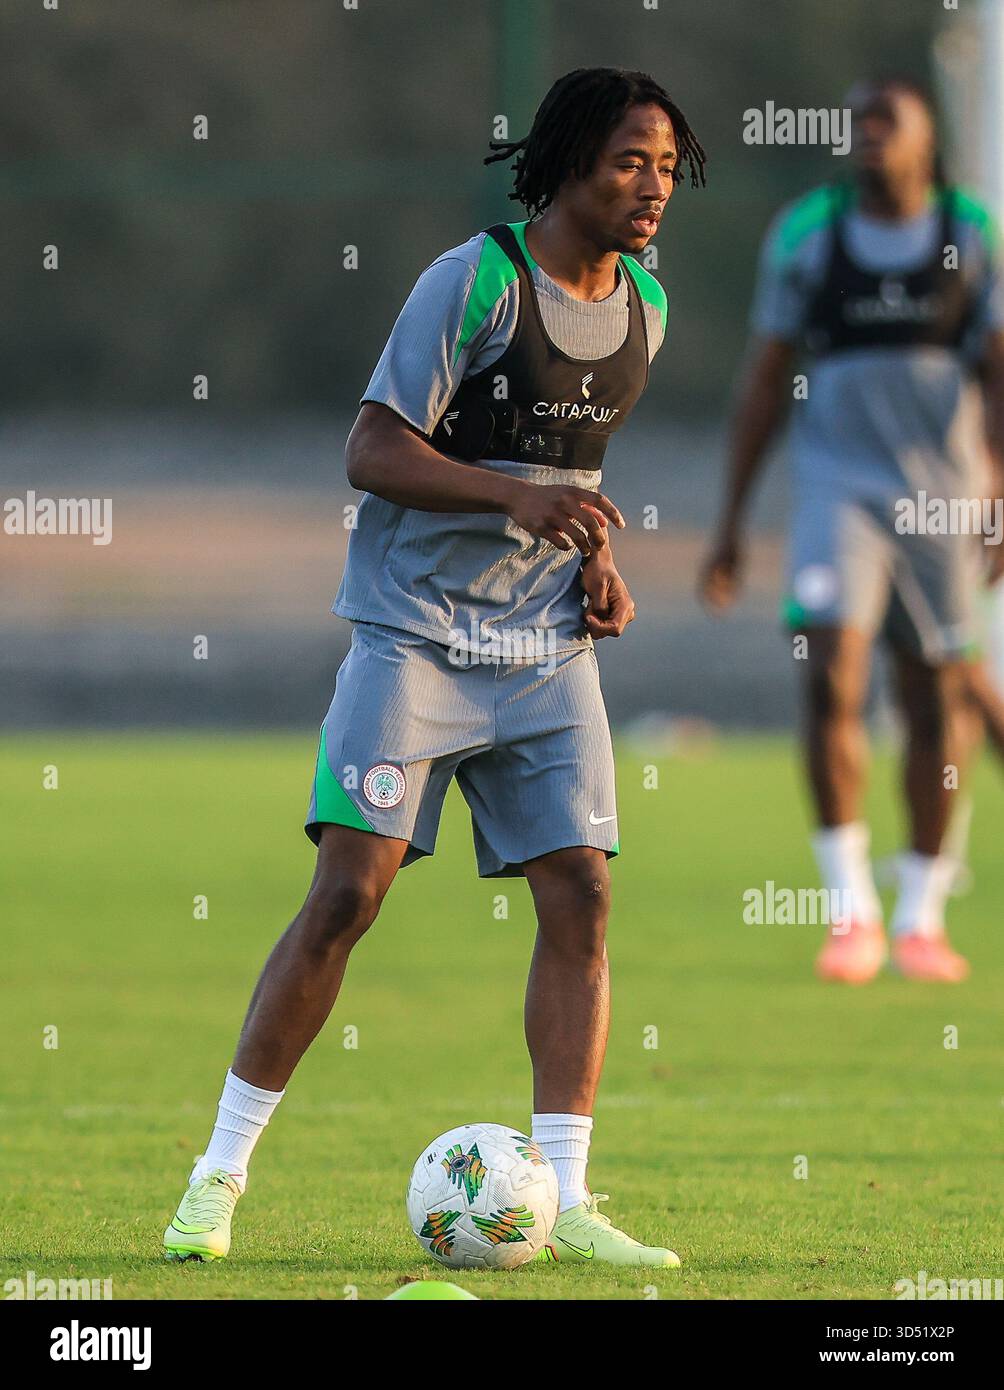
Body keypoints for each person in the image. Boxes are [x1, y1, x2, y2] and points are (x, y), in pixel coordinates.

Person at [164, 67, 706, 1265]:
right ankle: (216, 1179)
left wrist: (593, 564)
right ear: (566, 162)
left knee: (584, 891)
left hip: (543, 648)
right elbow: (370, 447)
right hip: (413, 635)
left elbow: (572, 485)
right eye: (629, 160)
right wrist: (515, 493)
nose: (653, 184)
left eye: (666, 165)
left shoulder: (645, 310)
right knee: (348, 894)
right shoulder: (474, 281)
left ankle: (562, 1202)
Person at [700, 76, 1004, 984]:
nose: (867, 136)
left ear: (926, 141)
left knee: (933, 700)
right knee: (830, 671)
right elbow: (765, 380)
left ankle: (919, 912)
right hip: (837, 491)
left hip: (943, 498)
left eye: (888, 123)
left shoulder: (970, 235)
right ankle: (850, 912)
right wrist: (729, 524)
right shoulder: (807, 234)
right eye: (858, 122)